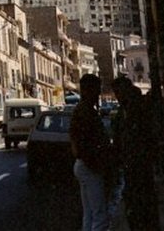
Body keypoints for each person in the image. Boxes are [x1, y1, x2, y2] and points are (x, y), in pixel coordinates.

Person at [111, 76, 158, 230]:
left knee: (142, 203)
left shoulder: (138, 110)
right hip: (131, 165)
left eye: (119, 92)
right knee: (136, 205)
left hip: (140, 163)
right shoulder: (122, 112)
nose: (117, 97)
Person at [70, 73, 111, 231]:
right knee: (99, 214)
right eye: (96, 89)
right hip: (89, 165)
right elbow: (85, 141)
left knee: (89, 213)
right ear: (88, 90)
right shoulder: (86, 112)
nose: (98, 93)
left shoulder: (82, 110)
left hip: (84, 164)